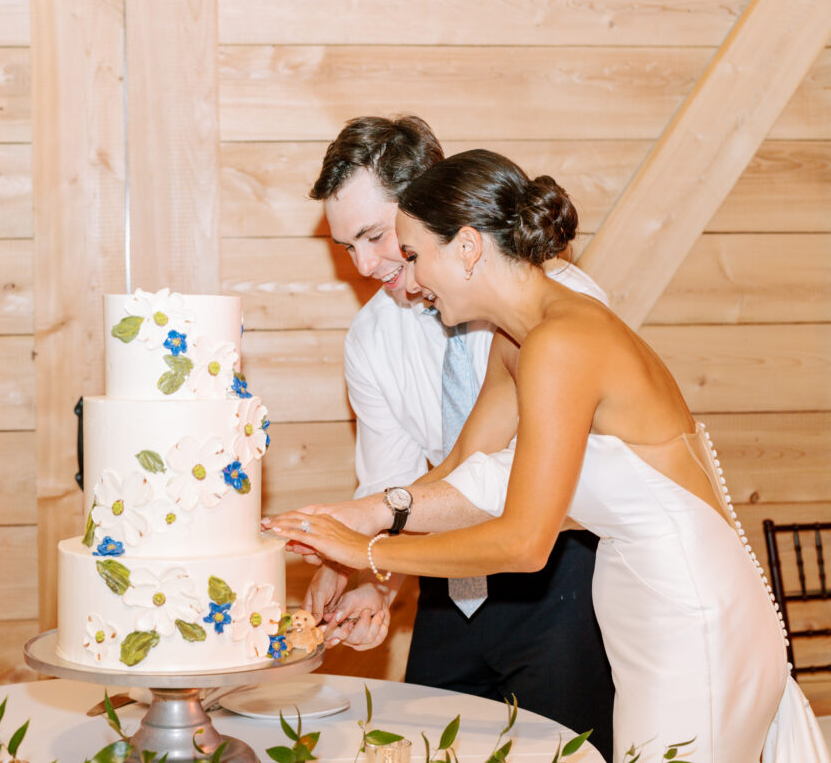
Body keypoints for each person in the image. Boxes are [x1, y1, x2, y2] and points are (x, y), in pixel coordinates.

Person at [269, 149, 831, 761]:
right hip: (640, 603)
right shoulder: (517, 342)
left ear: (465, 247)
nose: (409, 281)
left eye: (412, 255)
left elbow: (524, 541)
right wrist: (369, 514)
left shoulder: (562, 341)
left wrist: (366, 548)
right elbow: (468, 472)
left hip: (687, 610)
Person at [305, 117, 614, 759]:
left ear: (426, 203)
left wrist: (370, 543)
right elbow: (395, 483)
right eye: (345, 248)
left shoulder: (548, 304)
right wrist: (375, 584)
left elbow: (515, 482)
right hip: (451, 589)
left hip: (563, 579)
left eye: (374, 235)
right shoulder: (370, 339)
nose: (364, 265)